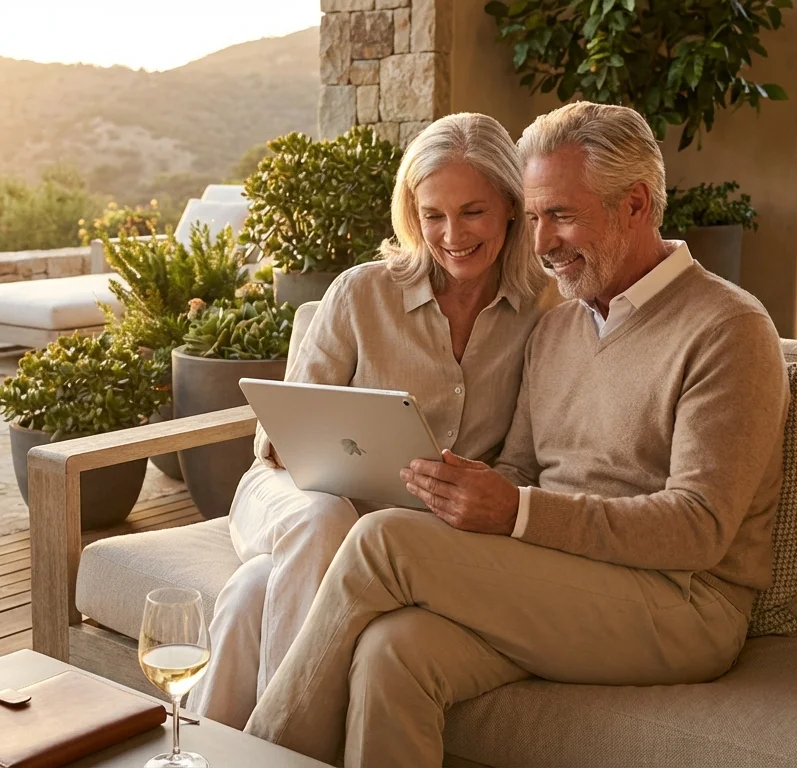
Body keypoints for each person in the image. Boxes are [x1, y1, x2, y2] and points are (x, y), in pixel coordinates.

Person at [242, 101, 790, 767]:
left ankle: (254, 759)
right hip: (560, 575)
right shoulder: (557, 327)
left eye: (560, 214)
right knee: (393, 652)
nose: (540, 242)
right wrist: (478, 496)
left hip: (681, 605)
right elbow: (524, 467)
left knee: (385, 541)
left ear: (637, 205)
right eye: (533, 217)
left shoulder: (728, 327)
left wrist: (519, 511)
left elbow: (699, 528)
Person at [188, 113, 554, 729]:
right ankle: (284, 749)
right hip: (292, 498)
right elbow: (275, 440)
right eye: (432, 214)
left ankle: (210, 750)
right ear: (412, 214)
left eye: (472, 212)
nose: (451, 234)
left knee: (254, 594)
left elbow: (519, 461)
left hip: (399, 532)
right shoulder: (363, 292)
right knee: (326, 515)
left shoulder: (541, 312)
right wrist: (340, 445)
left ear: (511, 209)